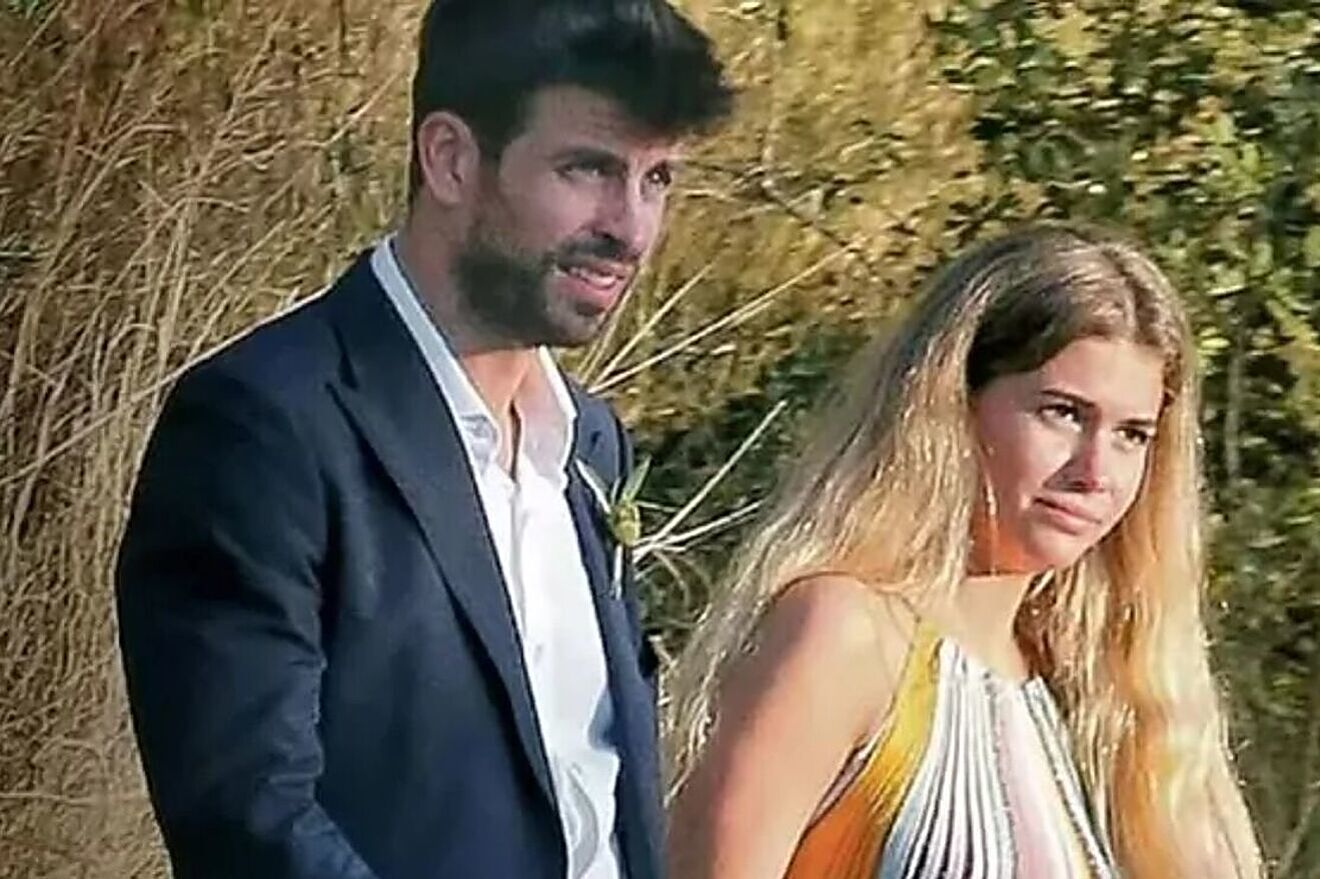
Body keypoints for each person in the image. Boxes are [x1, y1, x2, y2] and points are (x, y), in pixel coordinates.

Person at [114, 1, 731, 877]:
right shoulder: (263, 428)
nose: (630, 228)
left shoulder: (591, 446)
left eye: (657, 177)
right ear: (449, 158)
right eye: (588, 168)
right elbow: (248, 819)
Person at [664, 224, 1262, 878]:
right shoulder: (846, 635)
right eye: (1063, 412)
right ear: (955, 402)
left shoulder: (1111, 698)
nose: (1096, 472)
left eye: (1132, 434)